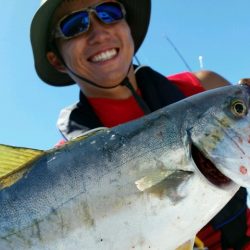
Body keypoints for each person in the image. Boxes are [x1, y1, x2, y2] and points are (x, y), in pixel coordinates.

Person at [30, 0, 250, 249]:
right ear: (56, 60)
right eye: (73, 25)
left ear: (128, 27)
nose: (99, 31)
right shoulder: (54, 172)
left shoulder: (210, 88)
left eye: (108, 12)